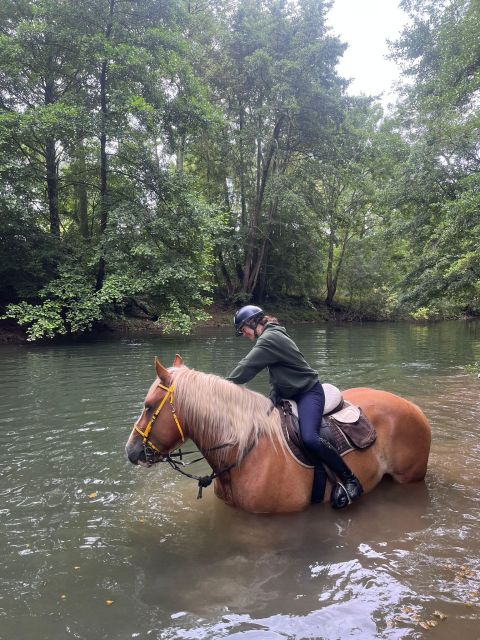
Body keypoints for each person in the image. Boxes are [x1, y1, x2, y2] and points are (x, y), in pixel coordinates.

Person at [226, 304, 363, 509]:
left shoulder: (270, 339)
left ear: (252, 322)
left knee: (309, 438)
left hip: (308, 392)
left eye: (242, 330)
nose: (243, 335)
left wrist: (219, 388)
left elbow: (247, 368)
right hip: (286, 393)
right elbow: (279, 374)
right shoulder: (271, 336)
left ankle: (351, 480)